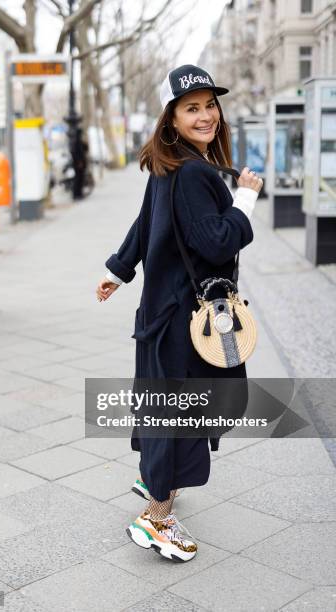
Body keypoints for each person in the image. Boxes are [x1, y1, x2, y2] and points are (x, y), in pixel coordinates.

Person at [96, 65, 263, 563]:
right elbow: (214, 241)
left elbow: (145, 224)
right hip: (185, 324)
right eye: (192, 108)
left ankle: (155, 479)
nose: (206, 115)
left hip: (162, 314)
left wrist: (119, 270)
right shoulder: (192, 172)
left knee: (163, 407)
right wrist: (247, 199)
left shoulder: (171, 167)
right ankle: (156, 518)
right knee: (182, 414)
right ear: (170, 119)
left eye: (210, 105)